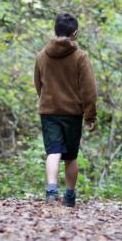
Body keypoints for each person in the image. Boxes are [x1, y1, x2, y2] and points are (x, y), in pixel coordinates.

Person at [34, 12, 97, 207]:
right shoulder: (80, 56)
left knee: (53, 151)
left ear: (55, 31)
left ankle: (51, 191)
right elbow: (89, 89)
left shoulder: (42, 55)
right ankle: (69, 196)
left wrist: (47, 100)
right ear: (75, 33)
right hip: (72, 113)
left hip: (49, 111)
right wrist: (90, 115)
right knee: (70, 156)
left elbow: (38, 84)